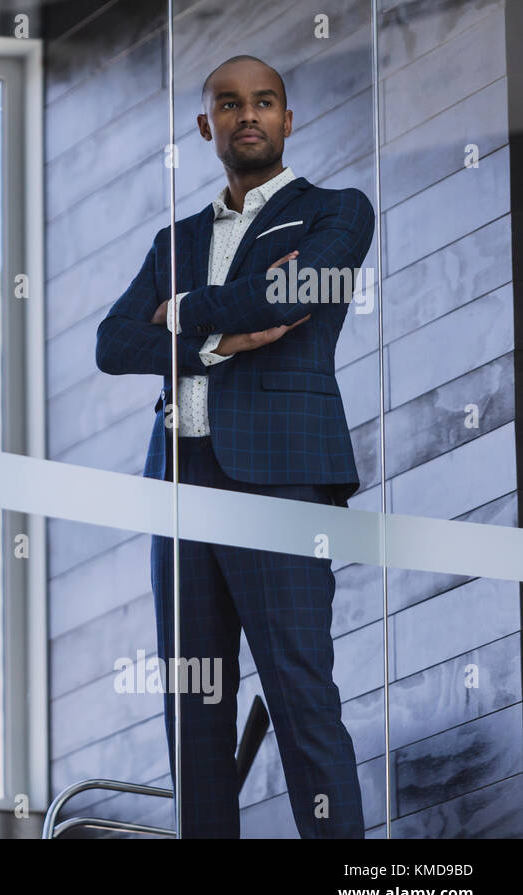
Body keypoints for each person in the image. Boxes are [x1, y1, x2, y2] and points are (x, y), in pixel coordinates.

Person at [95, 55, 375, 838]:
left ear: (288, 120)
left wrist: (178, 312)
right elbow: (112, 344)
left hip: (281, 479)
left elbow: (290, 297)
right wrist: (217, 341)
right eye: (229, 104)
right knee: (193, 715)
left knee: (300, 694)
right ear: (206, 127)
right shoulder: (172, 240)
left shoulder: (338, 212)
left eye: (264, 103)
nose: (247, 115)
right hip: (179, 485)